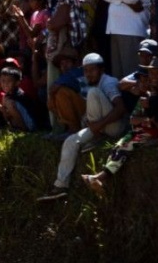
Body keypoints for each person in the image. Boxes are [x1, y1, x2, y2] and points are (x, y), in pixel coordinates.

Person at [39, 53, 127, 201]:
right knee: (70, 141)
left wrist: (97, 125)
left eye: (92, 70)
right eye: (86, 70)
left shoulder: (109, 82)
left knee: (93, 93)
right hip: (99, 127)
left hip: (114, 128)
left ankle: (96, 138)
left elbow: (120, 109)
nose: (88, 74)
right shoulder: (88, 83)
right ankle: (61, 186)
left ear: (101, 70)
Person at [80, 59, 158, 195]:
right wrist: (143, 120)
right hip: (140, 131)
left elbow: (154, 119)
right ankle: (101, 177)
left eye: (145, 79)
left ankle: (101, 177)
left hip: (150, 133)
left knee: (125, 146)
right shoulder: (144, 97)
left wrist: (145, 120)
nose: (142, 83)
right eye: (141, 79)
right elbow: (133, 119)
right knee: (118, 146)